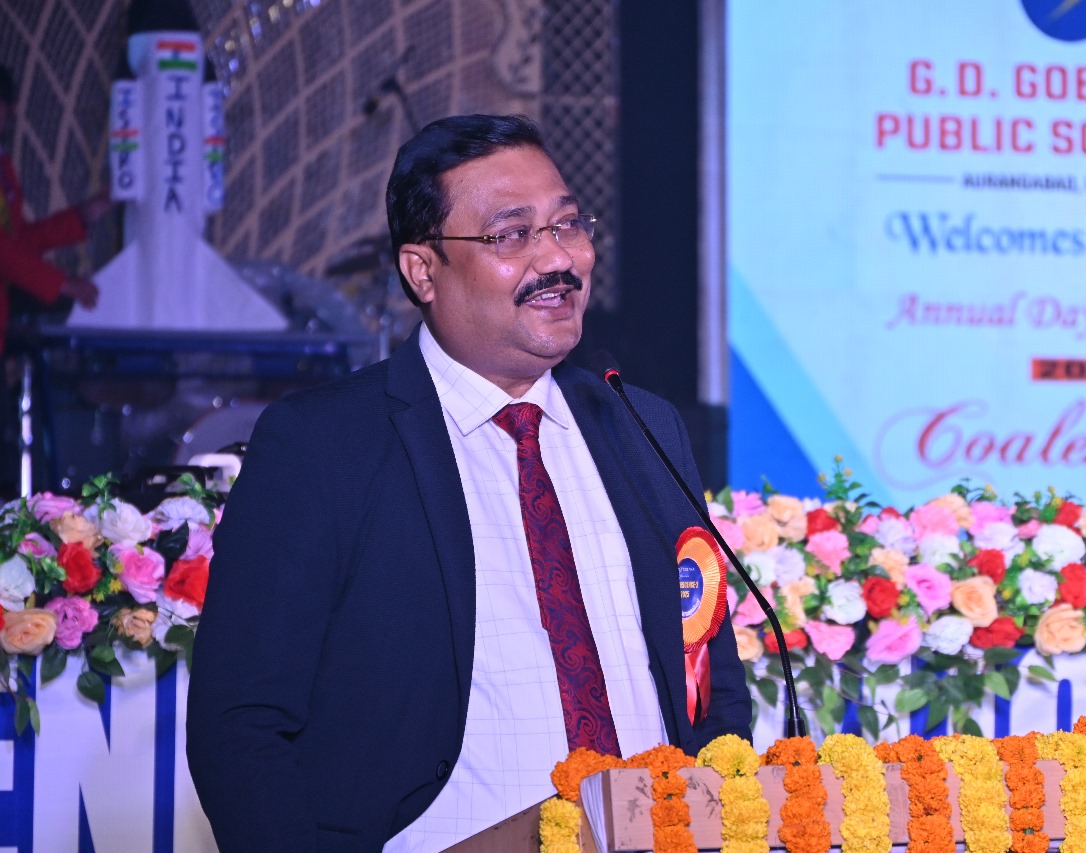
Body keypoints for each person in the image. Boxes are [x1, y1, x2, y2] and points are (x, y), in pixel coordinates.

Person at [187, 114, 751, 852]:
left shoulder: (641, 425)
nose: (559, 258)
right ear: (422, 270)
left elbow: (708, 678)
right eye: (511, 235)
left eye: (568, 224)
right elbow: (242, 726)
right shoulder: (325, 444)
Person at [0, 63, 107, 354]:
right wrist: (62, 284)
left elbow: (18, 239)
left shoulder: (3, 167)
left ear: (11, 109)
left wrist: (82, 216)